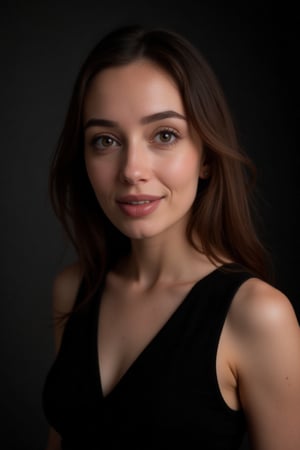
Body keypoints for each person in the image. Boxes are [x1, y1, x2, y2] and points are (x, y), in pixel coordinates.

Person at [42, 24, 300, 450]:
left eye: (164, 135)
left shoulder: (258, 316)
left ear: (207, 158)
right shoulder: (73, 291)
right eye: (105, 140)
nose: (131, 170)